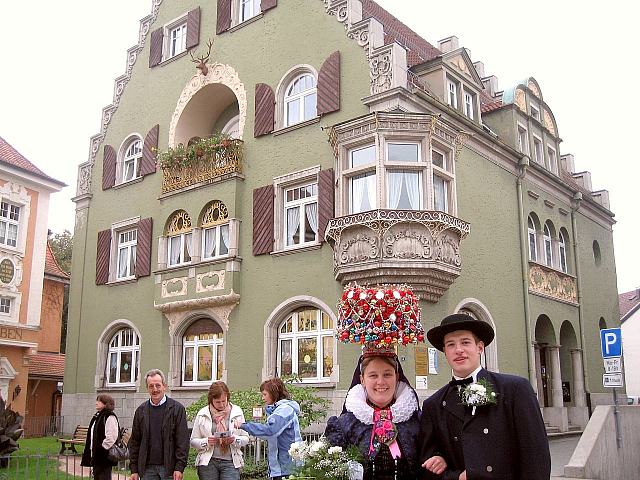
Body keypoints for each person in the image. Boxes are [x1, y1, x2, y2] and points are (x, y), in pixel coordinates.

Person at [419, 313, 551, 479]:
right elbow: (427, 468)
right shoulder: (434, 405)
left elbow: (536, 456)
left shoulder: (515, 390)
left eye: (465, 342)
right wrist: (454, 474)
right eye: (451, 344)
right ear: (444, 352)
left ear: (480, 347)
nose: (459, 350)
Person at [325, 350, 443, 480]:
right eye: (373, 375)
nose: (380, 382)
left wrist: (439, 457)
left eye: (387, 374)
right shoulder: (343, 425)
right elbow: (329, 470)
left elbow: (435, 457)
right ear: (362, 380)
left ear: (397, 377)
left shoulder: (419, 421)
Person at [129, 369, 189, 480]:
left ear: (164, 386)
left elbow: (182, 441)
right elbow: (135, 442)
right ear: (147, 388)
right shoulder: (141, 411)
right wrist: (134, 469)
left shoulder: (177, 409)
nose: (155, 389)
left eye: (158, 385)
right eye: (151, 386)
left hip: (169, 468)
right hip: (147, 469)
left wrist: (179, 467)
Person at [236, 378, 302, 480]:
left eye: (265, 394)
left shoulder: (284, 410)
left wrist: (244, 425)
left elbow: (270, 431)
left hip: (287, 467)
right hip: (282, 467)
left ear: (274, 393)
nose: (263, 398)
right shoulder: (278, 409)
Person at [190, 381, 250, 480]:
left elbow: (246, 438)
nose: (221, 405)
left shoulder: (237, 412)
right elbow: (193, 441)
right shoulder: (203, 413)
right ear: (211, 400)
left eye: (224, 401)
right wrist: (207, 441)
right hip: (208, 462)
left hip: (231, 462)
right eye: (217, 402)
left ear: (228, 398)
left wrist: (234, 439)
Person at [81, 394, 119, 480]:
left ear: (106, 404)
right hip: (96, 455)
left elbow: (112, 436)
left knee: (103, 477)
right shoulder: (98, 416)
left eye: (99, 401)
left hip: (104, 456)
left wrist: (102, 449)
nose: (96, 403)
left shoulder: (109, 416)